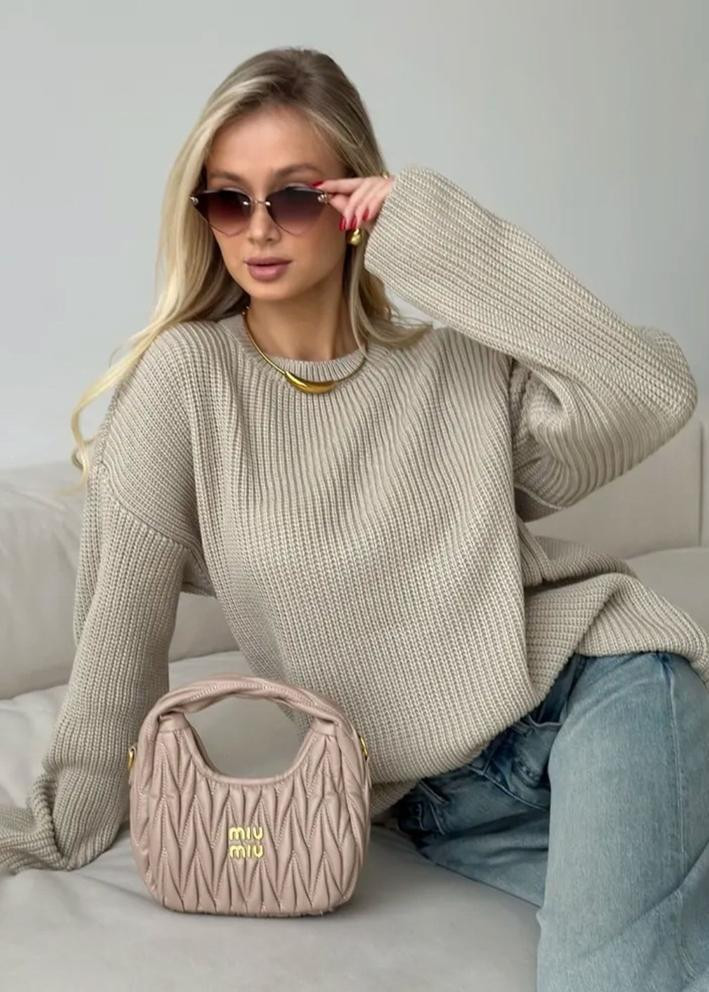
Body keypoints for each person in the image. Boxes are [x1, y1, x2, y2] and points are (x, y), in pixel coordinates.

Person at [2, 44, 708, 990]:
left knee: (608, 972)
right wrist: (64, 822)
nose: (259, 228)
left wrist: (431, 234)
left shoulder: (455, 369)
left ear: (352, 205)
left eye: (295, 197)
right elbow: (119, 625)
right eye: (228, 200)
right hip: (434, 802)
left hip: (598, 693)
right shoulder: (187, 384)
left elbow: (651, 390)